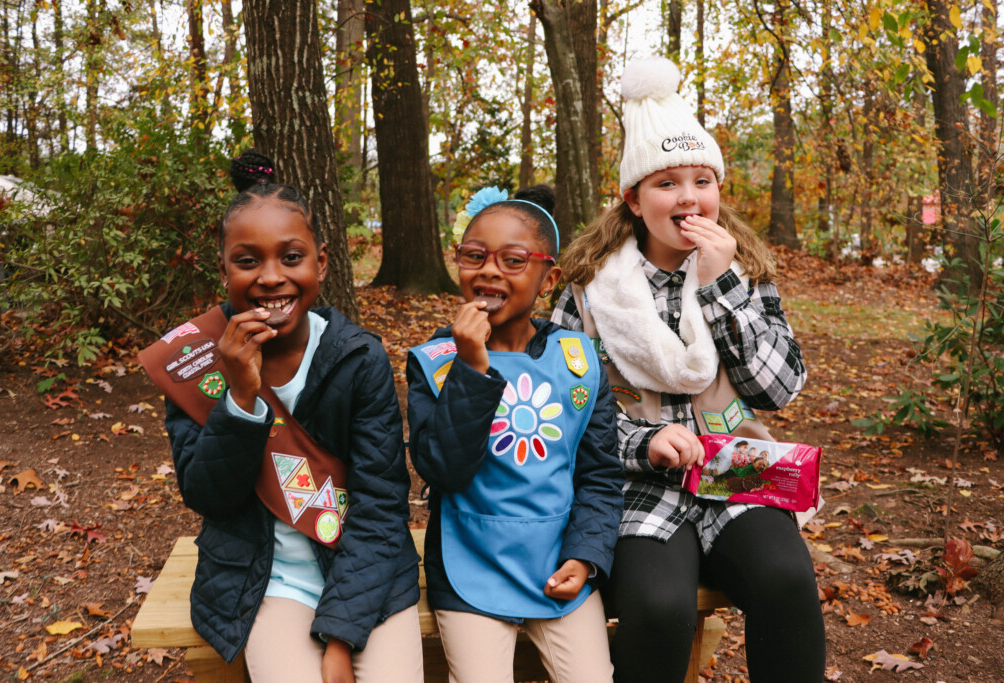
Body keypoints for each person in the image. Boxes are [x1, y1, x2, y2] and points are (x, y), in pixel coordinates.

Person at [550, 57, 824, 683]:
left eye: (703, 180)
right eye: (667, 182)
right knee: (658, 606)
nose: (689, 196)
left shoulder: (742, 274)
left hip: (737, 473)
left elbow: (778, 390)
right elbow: (569, 406)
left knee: (786, 579)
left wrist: (719, 286)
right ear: (634, 199)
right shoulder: (590, 292)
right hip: (635, 488)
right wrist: (644, 442)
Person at [139, 150, 423, 683]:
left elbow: (382, 507)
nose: (271, 278)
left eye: (290, 257)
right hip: (266, 578)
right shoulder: (196, 358)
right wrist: (240, 399)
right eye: (248, 261)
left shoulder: (358, 359)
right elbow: (209, 495)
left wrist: (341, 633)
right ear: (223, 268)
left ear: (321, 262)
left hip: (366, 569)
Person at [407, 185, 624, 682]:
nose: (488, 270)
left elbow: (600, 476)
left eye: (512, 259)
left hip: (557, 561)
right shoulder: (435, 363)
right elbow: (444, 469)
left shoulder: (579, 360)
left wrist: (586, 556)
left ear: (548, 278)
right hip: (469, 567)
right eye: (474, 256)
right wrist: (472, 370)